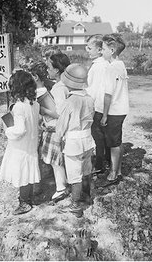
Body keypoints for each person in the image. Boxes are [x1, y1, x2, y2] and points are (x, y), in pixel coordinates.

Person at [54, 64, 95, 218]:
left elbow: (61, 125)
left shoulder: (69, 102)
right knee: (86, 170)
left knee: (74, 175)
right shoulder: (90, 99)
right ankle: (87, 196)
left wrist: (58, 140)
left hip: (73, 143)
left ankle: (76, 205)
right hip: (88, 139)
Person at [0, 70, 41, 215]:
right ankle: (28, 198)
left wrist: (7, 130)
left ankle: (24, 202)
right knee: (28, 171)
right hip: (31, 142)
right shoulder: (34, 104)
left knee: (22, 172)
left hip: (21, 145)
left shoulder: (19, 107)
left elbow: (20, 129)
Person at [99, 33, 129, 187]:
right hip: (122, 109)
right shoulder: (121, 65)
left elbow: (108, 95)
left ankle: (113, 173)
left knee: (113, 143)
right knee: (117, 140)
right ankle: (118, 170)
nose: (101, 51)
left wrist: (104, 115)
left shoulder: (111, 68)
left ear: (111, 50)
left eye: (103, 48)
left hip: (114, 110)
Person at [41, 52, 72, 202]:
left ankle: (61, 187)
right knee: (62, 158)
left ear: (57, 70)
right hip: (67, 127)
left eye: (49, 67)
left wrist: (42, 110)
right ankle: (66, 183)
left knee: (56, 160)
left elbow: (59, 113)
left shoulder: (59, 89)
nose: (47, 70)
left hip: (57, 129)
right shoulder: (67, 84)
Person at [85, 34, 111, 175]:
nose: (87, 50)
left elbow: (93, 89)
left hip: (98, 105)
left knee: (98, 136)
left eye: (90, 48)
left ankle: (100, 163)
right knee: (103, 136)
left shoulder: (98, 67)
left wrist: (88, 105)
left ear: (100, 50)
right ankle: (106, 159)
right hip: (104, 105)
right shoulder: (104, 64)